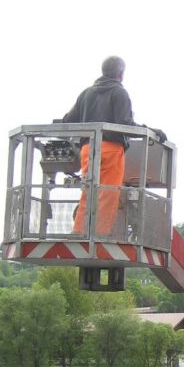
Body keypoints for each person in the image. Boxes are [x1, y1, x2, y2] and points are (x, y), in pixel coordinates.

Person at [61, 56, 135, 236]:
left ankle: (79, 232)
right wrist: (150, 131)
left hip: (87, 150)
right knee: (107, 195)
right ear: (121, 74)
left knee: (89, 192)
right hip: (111, 149)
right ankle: (99, 236)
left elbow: (67, 120)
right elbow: (125, 123)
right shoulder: (119, 93)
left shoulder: (87, 94)